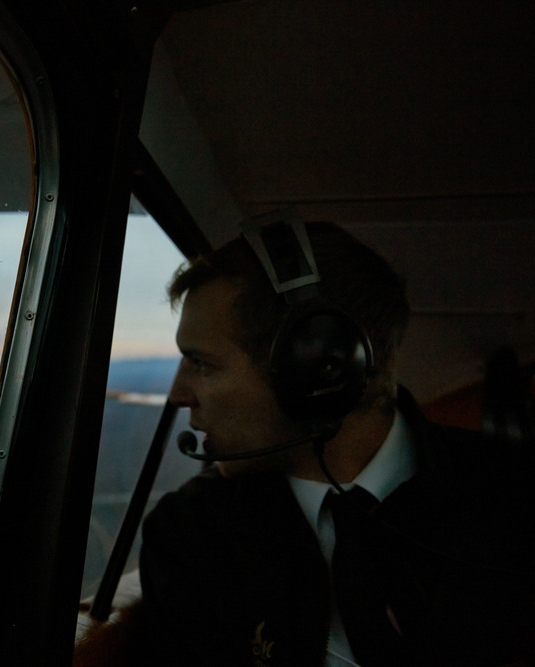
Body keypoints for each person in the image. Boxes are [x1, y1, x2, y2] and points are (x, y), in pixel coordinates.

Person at [74, 220, 535, 666]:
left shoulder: (515, 493)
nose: (178, 394)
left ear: (317, 368)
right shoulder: (190, 534)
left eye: (203, 364)